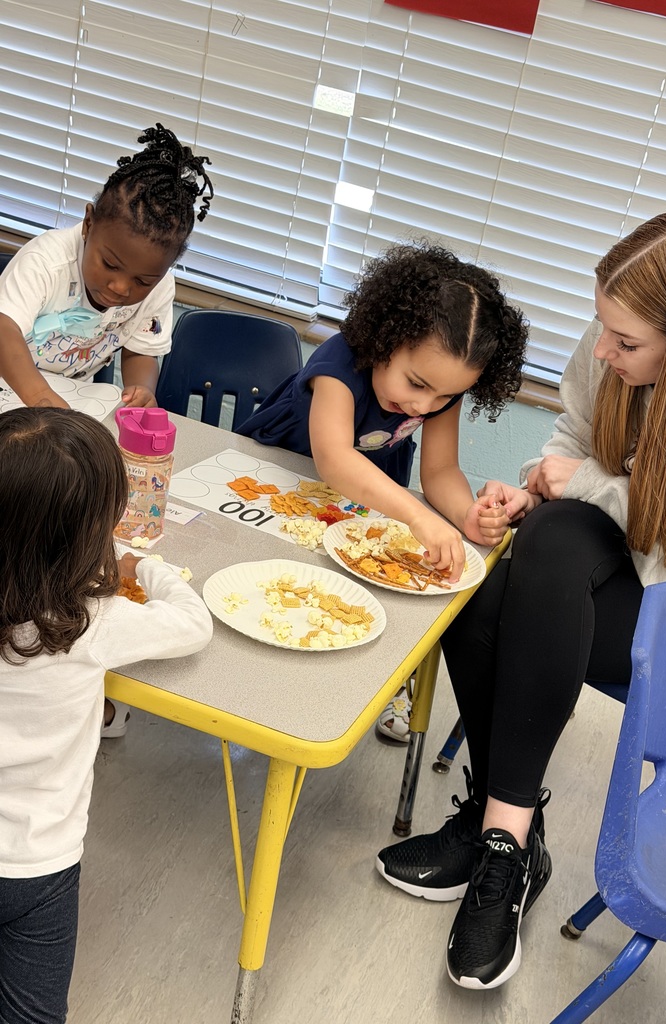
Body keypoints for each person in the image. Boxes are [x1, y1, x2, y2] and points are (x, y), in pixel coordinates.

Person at [375, 210, 666, 990]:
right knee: (484, 579)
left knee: (544, 558)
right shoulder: (614, 350)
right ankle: (505, 838)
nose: (601, 351)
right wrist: (526, 492)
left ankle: (500, 839)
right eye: (600, 327)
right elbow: (571, 440)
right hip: (624, 554)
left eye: (625, 343)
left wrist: (582, 489)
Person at [236, 241, 529, 738]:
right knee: (266, 585)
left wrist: (464, 516)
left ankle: (355, 684)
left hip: (359, 500)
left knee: (342, 594)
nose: (425, 405)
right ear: (386, 338)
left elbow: (439, 473)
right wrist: (418, 518)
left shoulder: (437, 392)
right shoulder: (339, 363)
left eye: (445, 395)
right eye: (416, 384)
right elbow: (335, 462)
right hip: (279, 477)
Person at [0, 406, 213, 1024]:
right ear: (91, 535)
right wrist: (141, 563)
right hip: (38, 866)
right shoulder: (92, 623)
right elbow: (193, 626)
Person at [0, 123, 214, 410]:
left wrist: (141, 390)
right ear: (89, 224)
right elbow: (4, 331)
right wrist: (44, 402)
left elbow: (140, 351)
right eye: (110, 265)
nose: (120, 287)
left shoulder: (159, 286)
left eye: (142, 281)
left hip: (68, 400)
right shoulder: (46, 262)